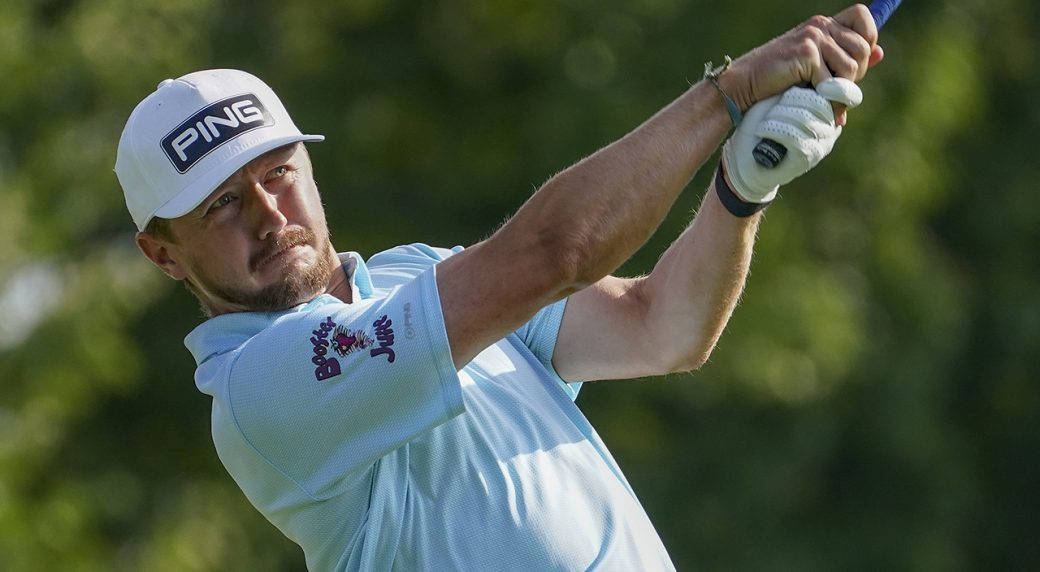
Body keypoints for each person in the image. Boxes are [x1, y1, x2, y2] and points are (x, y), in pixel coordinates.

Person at [114, 4, 882, 570]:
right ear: (164, 255)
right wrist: (728, 95)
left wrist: (740, 190)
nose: (270, 217)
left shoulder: (417, 273)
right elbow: (554, 250)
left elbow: (662, 329)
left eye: (278, 174)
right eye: (223, 205)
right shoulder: (258, 392)